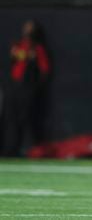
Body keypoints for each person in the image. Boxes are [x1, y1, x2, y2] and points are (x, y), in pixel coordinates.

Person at [2, 19, 50, 156]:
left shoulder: (38, 49)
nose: (27, 30)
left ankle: (30, 151)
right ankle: (10, 150)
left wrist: (36, 87)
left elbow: (44, 70)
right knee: (11, 119)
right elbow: (12, 63)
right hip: (14, 88)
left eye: (30, 28)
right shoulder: (18, 46)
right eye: (26, 27)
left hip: (28, 89)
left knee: (27, 119)